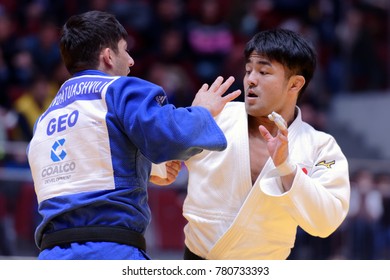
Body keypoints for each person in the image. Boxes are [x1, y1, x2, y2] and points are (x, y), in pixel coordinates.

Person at [26, 10, 241, 260]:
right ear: (108, 56)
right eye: (124, 50)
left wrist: (148, 168)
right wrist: (202, 110)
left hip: (51, 257)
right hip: (110, 252)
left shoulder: (45, 119)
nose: (130, 61)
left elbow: (85, 165)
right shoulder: (117, 89)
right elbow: (171, 137)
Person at [182, 28, 350, 260]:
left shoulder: (320, 146)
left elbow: (326, 221)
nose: (250, 79)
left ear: (294, 84)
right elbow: (159, 166)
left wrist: (286, 169)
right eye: (249, 70)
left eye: (263, 71)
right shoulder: (214, 117)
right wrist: (190, 122)